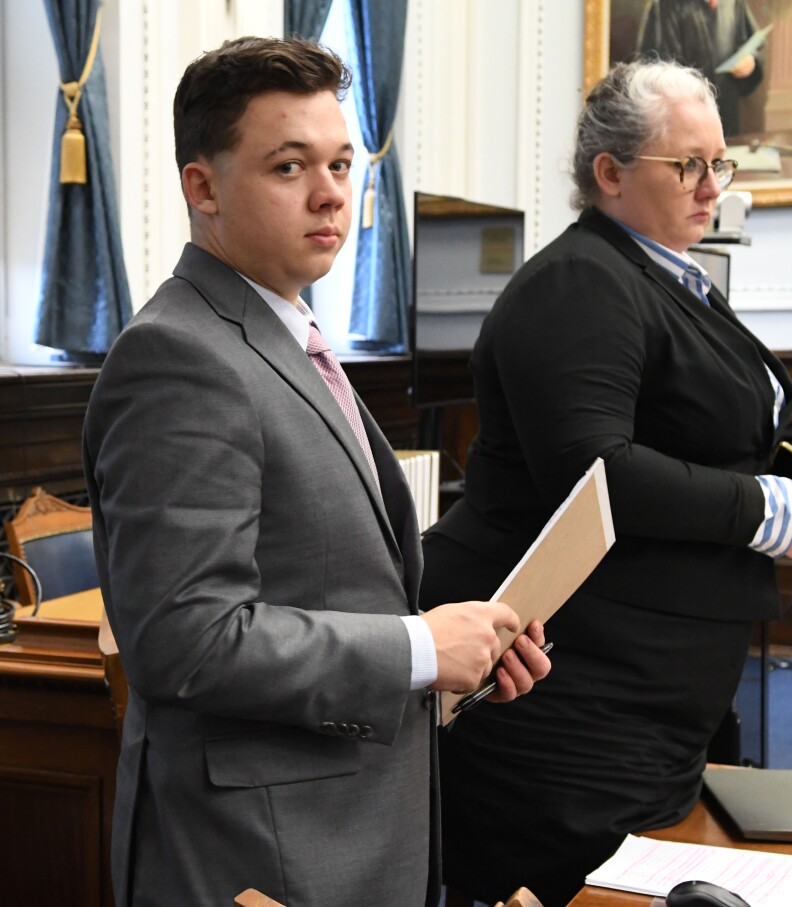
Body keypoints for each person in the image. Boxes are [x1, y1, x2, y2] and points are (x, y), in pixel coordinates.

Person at [82, 35, 550, 907]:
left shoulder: (284, 335)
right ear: (203, 186)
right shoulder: (179, 357)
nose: (333, 191)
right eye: (290, 166)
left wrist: (461, 655)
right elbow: (184, 639)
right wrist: (417, 647)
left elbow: (332, 584)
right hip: (260, 858)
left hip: (348, 822)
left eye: (339, 162)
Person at [419, 59, 792, 907]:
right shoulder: (581, 280)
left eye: (720, 162)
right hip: (576, 696)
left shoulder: (662, 272)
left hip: (649, 691)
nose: (710, 185)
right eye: (686, 164)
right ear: (609, 173)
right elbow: (595, 467)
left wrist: (788, 493)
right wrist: (765, 507)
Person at [637, 0, 764, 138]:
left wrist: (750, 61)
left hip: (727, 108)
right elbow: (656, 68)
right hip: (684, 113)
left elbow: (748, 42)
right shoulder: (665, 4)